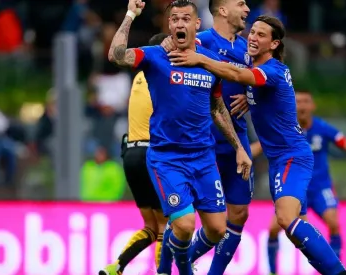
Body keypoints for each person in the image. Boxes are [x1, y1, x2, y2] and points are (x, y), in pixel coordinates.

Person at [169, 15, 346, 275]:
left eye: (261, 35)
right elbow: (251, 84)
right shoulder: (259, 76)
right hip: (279, 160)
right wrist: (248, 97)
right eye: (252, 32)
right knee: (297, 228)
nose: (252, 37)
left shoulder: (273, 70)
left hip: (292, 157)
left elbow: (238, 74)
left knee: (287, 220)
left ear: (274, 44)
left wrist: (202, 59)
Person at [108, 1, 252, 275]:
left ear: (196, 25)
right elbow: (116, 55)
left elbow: (217, 107)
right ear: (169, 26)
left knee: (217, 229)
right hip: (167, 158)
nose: (179, 23)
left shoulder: (208, 62)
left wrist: (238, 148)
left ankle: (167, 268)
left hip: (203, 158)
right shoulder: (155, 57)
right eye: (174, 19)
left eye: (186, 18)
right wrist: (130, 15)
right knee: (185, 225)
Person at [251, 90, 346, 274]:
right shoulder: (284, 129)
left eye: (305, 101)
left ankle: (335, 268)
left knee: (333, 223)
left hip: (320, 188)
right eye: (298, 101)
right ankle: (272, 271)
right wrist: (236, 155)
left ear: (312, 106)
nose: (301, 105)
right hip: (293, 188)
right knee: (272, 230)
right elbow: (259, 147)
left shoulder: (323, 129)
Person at [160, 0, 253, 273]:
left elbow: (265, 79)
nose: (247, 8)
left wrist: (251, 95)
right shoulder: (197, 40)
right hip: (201, 142)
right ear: (222, 10)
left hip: (236, 137)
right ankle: (166, 267)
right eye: (241, 3)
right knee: (188, 220)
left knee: (238, 214)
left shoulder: (248, 48)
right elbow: (164, 63)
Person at [99, 33, 170, 275]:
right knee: (166, 225)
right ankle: (163, 272)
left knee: (149, 226)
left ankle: (115, 267)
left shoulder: (138, 77)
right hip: (151, 155)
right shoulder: (162, 77)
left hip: (130, 155)